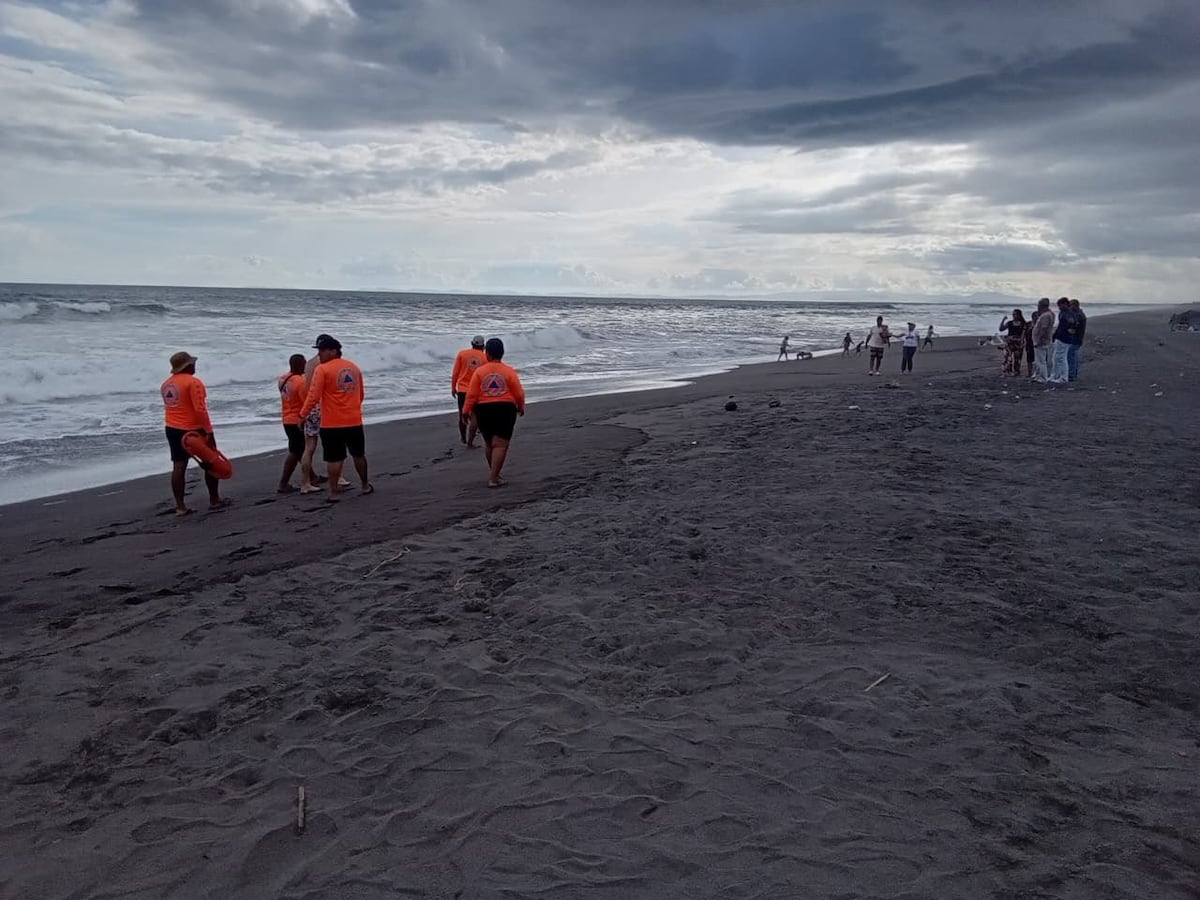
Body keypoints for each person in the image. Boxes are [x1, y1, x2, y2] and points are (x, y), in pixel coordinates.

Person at [298, 335, 372, 501]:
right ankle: (365, 485)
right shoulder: (353, 367)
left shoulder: (322, 369)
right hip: (353, 420)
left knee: (334, 458)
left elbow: (313, 396)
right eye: (319, 351)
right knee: (358, 454)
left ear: (334, 351)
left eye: (323, 351)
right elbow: (361, 395)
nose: (320, 355)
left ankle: (333, 493)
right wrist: (352, 408)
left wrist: (302, 415)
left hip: (332, 423)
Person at [161, 351, 227, 516]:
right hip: (194, 429)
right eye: (192, 363)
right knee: (210, 461)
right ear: (188, 365)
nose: (194, 365)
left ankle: (180, 506)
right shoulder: (193, 382)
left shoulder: (166, 384)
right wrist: (208, 431)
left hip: (172, 428)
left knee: (178, 465)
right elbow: (200, 409)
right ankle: (214, 500)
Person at [463, 337, 526, 488]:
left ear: (487, 354)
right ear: (502, 353)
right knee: (501, 445)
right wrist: (521, 406)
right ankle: (494, 478)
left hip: (484, 409)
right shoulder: (508, 371)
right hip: (505, 408)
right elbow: (518, 392)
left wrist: (466, 411)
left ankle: (495, 474)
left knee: (490, 444)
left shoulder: (479, 371)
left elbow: (471, 394)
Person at [277, 354, 308, 493]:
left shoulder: (283, 378)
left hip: (286, 418)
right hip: (297, 420)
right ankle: (283, 484)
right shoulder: (300, 382)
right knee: (296, 451)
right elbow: (306, 403)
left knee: (299, 449)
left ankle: (312, 475)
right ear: (301, 365)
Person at [451, 335, 487, 448]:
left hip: (462, 390)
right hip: (477, 391)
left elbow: (456, 372)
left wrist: (453, 387)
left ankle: (463, 438)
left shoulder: (462, 354)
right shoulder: (485, 357)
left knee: (463, 414)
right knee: (476, 416)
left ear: (472, 344)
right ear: (483, 346)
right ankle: (471, 440)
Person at [1048, 298, 1079, 384]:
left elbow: (1074, 323)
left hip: (1065, 338)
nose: (1059, 307)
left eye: (1060, 305)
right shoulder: (1063, 313)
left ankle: (1063, 377)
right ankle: (1056, 375)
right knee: (1056, 358)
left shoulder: (1068, 313)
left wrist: (1070, 328)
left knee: (1062, 358)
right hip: (1060, 337)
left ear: (1065, 304)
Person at [1030, 298, 1055, 383]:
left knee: (1041, 360)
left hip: (1041, 341)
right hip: (1041, 340)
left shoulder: (1046, 315)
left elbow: (1043, 329)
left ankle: (1043, 378)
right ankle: (1038, 376)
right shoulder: (1048, 314)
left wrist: (1039, 339)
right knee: (1039, 360)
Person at [997, 309, 1027, 376]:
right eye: (1013, 314)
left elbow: (1023, 334)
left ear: (1019, 315)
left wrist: (1022, 342)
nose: (1013, 316)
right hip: (1010, 342)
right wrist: (1003, 320)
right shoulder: (1010, 323)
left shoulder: (1023, 324)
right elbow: (1001, 329)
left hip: (1018, 342)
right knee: (1007, 357)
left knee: (1017, 358)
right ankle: (1007, 371)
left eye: (1015, 314)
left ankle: (1016, 371)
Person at [1068, 299, 1087, 382]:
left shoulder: (1078, 315)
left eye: (1070, 306)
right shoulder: (1080, 314)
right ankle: (1073, 373)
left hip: (1076, 338)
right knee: (1074, 356)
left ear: (1075, 305)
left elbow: (1074, 327)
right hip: (1078, 338)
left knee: (1071, 356)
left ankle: (1071, 374)